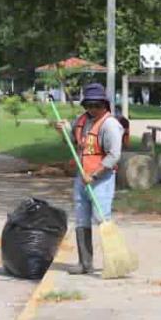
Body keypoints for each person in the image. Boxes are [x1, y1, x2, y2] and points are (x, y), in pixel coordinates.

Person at [54, 83, 124, 275]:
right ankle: (85, 263)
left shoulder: (110, 125)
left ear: (105, 105)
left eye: (96, 105)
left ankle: (113, 263)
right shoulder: (83, 120)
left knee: (102, 218)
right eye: (89, 105)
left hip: (101, 179)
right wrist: (64, 130)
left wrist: (94, 175)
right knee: (82, 219)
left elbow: (114, 155)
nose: (92, 109)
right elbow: (76, 141)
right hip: (81, 177)